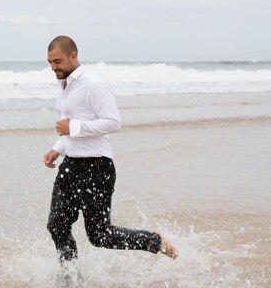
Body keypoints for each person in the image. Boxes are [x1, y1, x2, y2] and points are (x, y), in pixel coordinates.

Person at [44, 35, 178, 262]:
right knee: (56, 225)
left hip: (96, 168)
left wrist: (73, 127)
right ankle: (69, 279)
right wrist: (58, 148)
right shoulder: (64, 84)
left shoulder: (94, 84)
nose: (53, 67)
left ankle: (155, 241)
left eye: (57, 61)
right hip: (71, 166)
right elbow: (71, 125)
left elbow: (113, 122)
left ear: (73, 56)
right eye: (50, 62)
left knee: (99, 235)